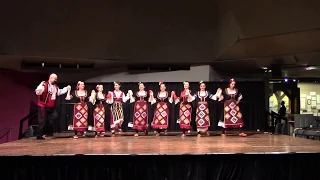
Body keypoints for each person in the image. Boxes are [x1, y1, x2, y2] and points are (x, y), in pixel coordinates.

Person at [35, 73, 70, 140]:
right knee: (43, 121)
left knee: (54, 116)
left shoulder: (55, 87)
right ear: (50, 78)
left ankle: (47, 132)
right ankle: (39, 135)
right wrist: (40, 85)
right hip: (43, 106)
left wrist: (66, 88)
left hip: (51, 106)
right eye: (54, 78)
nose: (55, 80)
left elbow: (59, 92)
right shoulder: (44, 85)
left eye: (56, 79)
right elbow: (38, 92)